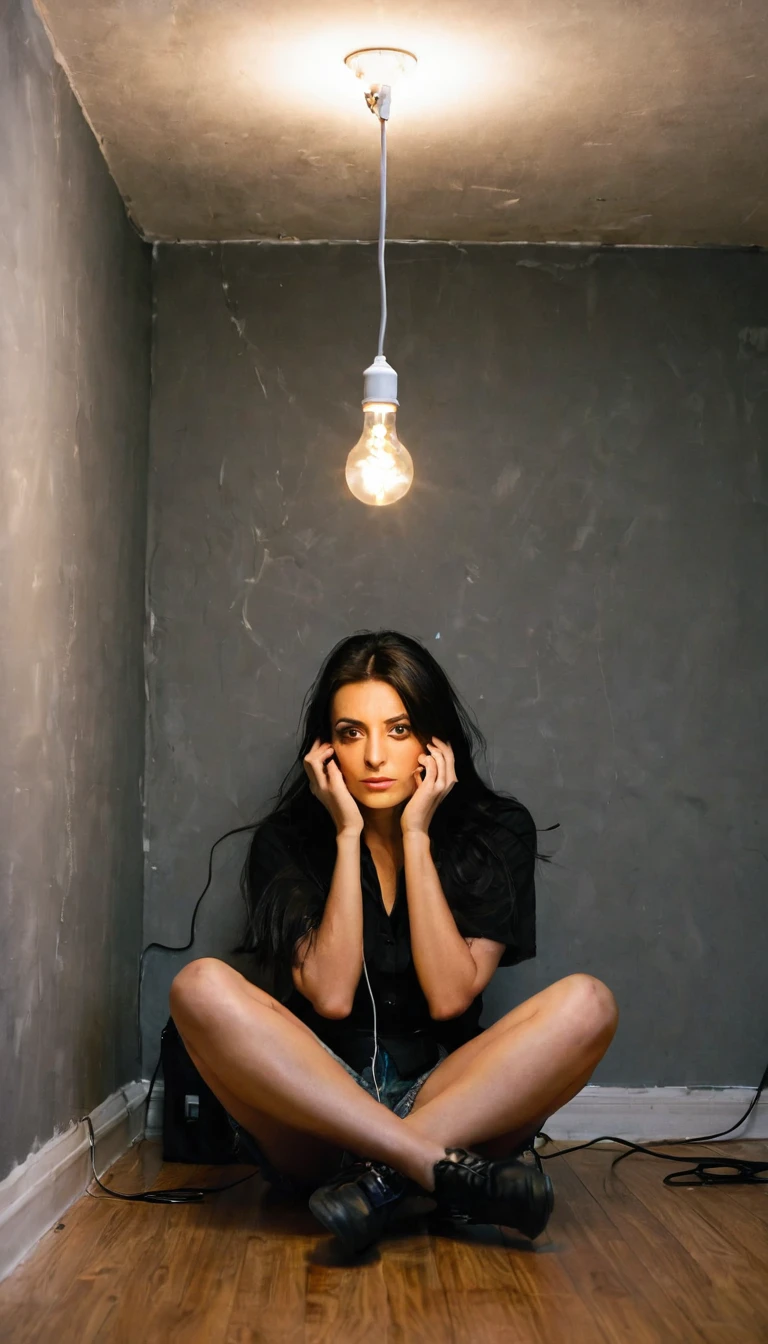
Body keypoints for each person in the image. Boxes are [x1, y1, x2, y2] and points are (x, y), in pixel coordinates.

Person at [169, 630, 618, 1254]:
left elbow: (450, 998)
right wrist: (348, 834)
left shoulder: (495, 830)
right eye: (352, 733)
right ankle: (431, 1173)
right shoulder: (287, 840)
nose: (375, 755)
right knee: (198, 986)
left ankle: (375, 1184)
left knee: (589, 1002)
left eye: (399, 730)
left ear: (434, 742)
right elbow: (329, 996)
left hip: (451, 1099)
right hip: (317, 1114)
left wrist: (415, 835)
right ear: (326, 748)